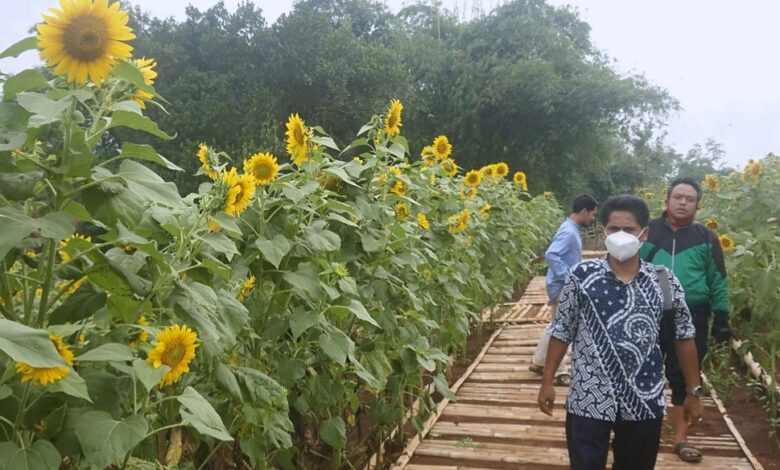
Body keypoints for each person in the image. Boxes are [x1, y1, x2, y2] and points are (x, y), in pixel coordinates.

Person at [537, 195, 703, 470]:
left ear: (644, 234)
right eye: (614, 229)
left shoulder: (663, 281)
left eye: (630, 229)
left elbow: (683, 336)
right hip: (588, 397)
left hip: (643, 398)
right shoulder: (581, 277)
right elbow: (562, 329)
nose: (621, 236)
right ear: (603, 232)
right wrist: (547, 382)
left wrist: (693, 391)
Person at [640, 177, 731, 462]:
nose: (682, 203)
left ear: (697, 205)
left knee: (684, 375)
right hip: (647, 310)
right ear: (666, 200)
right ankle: (633, 429)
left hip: (692, 314)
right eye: (677, 197)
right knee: (640, 368)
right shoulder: (648, 231)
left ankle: (680, 438)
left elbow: (718, 279)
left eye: (689, 199)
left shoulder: (706, 237)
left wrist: (722, 317)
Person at [529, 194, 598, 385]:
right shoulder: (569, 232)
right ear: (584, 211)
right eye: (592, 214)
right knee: (563, 328)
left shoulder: (570, 228)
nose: (593, 219)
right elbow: (551, 254)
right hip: (562, 287)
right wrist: (569, 277)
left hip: (561, 285)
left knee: (556, 325)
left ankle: (538, 362)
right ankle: (559, 370)